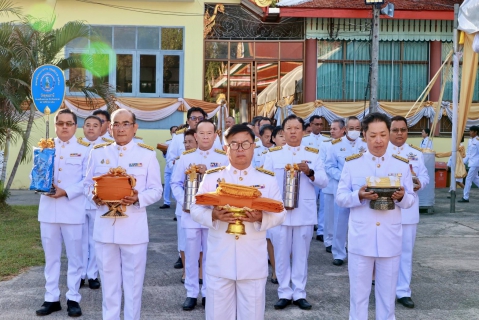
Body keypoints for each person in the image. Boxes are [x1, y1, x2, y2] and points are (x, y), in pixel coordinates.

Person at [190, 124, 286, 320]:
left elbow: (280, 213)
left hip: (252, 263)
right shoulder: (212, 177)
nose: (240, 149)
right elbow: (196, 207)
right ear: (225, 149)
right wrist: (214, 216)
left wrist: (261, 217)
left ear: (253, 146)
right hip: (220, 261)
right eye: (234, 144)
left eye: (245, 144)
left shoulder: (266, 180)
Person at [84, 109, 163, 320]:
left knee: (133, 286)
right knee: (109, 287)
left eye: (126, 123)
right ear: (109, 127)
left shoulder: (146, 154)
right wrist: (94, 196)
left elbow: (156, 190)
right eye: (116, 124)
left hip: (133, 230)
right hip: (104, 230)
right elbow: (86, 184)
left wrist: (138, 198)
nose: (120, 128)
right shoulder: (98, 152)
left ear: (135, 127)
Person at [336, 112, 415, 320]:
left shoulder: (400, 163)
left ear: (388, 134)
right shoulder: (353, 164)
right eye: (372, 135)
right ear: (364, 135)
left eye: (382, 134)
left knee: (387, 299)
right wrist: (358, 195)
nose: (378, 140)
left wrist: (401, 196)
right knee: (358, 298)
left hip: (389, 240)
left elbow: (411, 201)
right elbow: (341, 198)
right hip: (361, 241)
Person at [263, 115, 328, 310]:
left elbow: (324, 181)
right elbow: (265, 182)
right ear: (282, 132)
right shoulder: (273, 155)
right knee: (281, 254)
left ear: (303, 131)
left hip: (304, 212)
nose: (292, 132)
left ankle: (299, 292)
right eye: (288, 128)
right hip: (280, 212)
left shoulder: (313, 154)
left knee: (301, 255)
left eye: (296, 128)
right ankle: (284, 291)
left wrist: (310, 172)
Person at [35, 109, 90, 317]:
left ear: (76, 126)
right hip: (48, 211)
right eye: (60, 123)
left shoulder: (85, 150)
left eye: (69, 123)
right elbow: (38, 173)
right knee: (51, 258)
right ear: (55, 125)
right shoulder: (44, 147)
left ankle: (73, 297)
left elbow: (88, 181)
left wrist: (66, 191)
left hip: (72, 210)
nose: (64, 127)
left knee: (75, 258)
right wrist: (41, 184)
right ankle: (51, 298)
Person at [171, 120, 229, 311]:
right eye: (201, 133)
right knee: (192, 254)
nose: (205, 137)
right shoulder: (186, 157)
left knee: (211, 255)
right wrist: (185, 203)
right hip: (191, 215)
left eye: (209, 133)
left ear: (215, 135)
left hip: (213, 214)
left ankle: (207, 292)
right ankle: (191, 292)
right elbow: (175, 183)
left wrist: (208, 175)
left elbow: (227, 185)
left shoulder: (223, 159)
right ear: (195, 136)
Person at [388, 116, 430, 309]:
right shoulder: (381, 152)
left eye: (403, 130)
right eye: (395, 130)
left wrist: (420, 182)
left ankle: (403, 291)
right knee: (386, 254)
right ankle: (385, 290)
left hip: (409, 211)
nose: (399, 134)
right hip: (385, 211)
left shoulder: (415, 153)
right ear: (389, 131)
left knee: (406, 253)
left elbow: (424, 176)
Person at [325, 115, 367, 266]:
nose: (354, 131)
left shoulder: (365, 144)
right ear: (345, 129)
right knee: (340, 221)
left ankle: (359, 251)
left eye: (357, 128)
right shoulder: (334, 145)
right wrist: (343, 177)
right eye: (351, 128)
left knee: (361, 221)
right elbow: (329, 166)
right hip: (342, 188)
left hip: (361, 190)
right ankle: (338, 253)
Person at [80, 115, 104, 290]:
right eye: (87, 125)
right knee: (80, 239)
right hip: (78, 200)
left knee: (95, 239)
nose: (91, 128)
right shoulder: (77, 146)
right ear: (83, 128)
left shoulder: (107, 147)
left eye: (95, 125)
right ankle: (80, 273)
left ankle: (93, 274)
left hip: (97, 200)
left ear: (101, 128)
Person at [166, 107, 222, 173]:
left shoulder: (213, 135)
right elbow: (170, 160)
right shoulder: (178, 137)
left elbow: (219, 158)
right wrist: (183, 171)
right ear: (187, 120)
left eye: (200, 118)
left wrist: (207, 170)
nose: (197, 121)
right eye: (194, 118)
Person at [174, 129, 198, 280]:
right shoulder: (183, 158)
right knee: (184, 242)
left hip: (204, 208)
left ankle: (199, 274)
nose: (187, 145)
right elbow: (175, 182)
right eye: (185, 142)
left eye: (190, 141)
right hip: (184, 207)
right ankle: (186, 273)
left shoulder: (213, 157)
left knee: (200, 246)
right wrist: (185, 201)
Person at [321, 119, 346, 254]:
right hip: (330, 184)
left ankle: (343, 242)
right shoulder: (326, 145)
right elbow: (324, 164)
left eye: (334, 129)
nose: (331, 131)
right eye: (331, 129)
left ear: (343, 130)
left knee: (343, 217)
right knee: (330, 217)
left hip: (345, 188)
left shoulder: (350, 145)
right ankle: (329, 241)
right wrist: (342, 176)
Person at [302, 115, 327, 242]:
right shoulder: (304, 139)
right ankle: (309, 227)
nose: (318, 126)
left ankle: (321, 230)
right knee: (310, 201)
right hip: (309, 174)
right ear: (310, 125)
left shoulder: (326, 140)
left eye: (320, 124)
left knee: (323, 204)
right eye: (316, 124)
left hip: (321, 174)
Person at [160, 125, 178, 210]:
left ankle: (177, 202)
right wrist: (163, 152)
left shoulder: (180, 142)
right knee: (167, 185)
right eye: (173, 131)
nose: (174, 133)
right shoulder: (168, 142)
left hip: (176, 167)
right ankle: (166, 202)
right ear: (170, 132)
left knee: (177, 185)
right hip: (168, 167)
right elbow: (165, 156)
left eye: (176, 131)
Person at [459, 125, 479, 203]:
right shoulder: (470, 141)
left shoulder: (478, 141)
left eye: (471, 131)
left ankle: (465, 197)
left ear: (475, 132)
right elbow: (468, 153)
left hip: (476, 163)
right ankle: (465, 196)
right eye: (469, 131)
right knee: (475, 179)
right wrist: (463, 161)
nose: (470, 132)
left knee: (468, 179)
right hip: (471, 162)